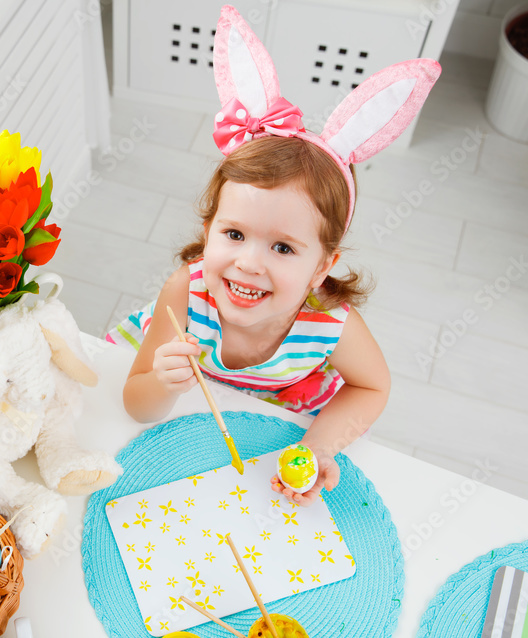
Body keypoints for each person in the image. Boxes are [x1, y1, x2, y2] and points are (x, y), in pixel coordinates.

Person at [116, 5, 441, 506]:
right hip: (192, 425)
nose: (249, 263)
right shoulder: (186, 291)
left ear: (322, 267)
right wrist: (161, 383)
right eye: (234, 234)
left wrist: (318, 446)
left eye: (284, 247)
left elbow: (372, 389)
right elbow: (136, 406)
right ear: (209, 231)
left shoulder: (329, 322)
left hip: (278, 416)